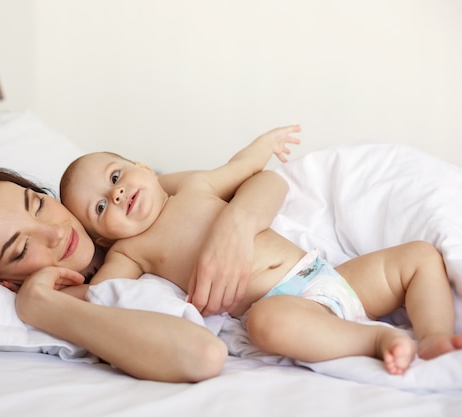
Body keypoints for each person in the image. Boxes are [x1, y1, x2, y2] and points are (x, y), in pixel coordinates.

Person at [59, 125, 462, 375]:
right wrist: (51, 288)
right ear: (103, 238)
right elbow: (99, 296)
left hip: (327, 276)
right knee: (267, 324)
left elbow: (241, 169)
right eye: (99, 207)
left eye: (116, 176)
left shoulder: (192, 187)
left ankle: (434, 336)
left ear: (142, 168)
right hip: (285, 307)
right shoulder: (129, 252)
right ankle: (372, 341)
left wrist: (263, 143)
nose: (117, 194)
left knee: (420, 256)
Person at [0, 164, 284, 382]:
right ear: (7, 283)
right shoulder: (107, 297)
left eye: (39, 206)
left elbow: (269, 179)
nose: (57, 233)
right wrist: (43, 306)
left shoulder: (126, 207)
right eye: (22, 248)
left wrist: (233, 229)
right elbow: (201, 354)